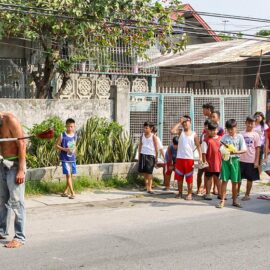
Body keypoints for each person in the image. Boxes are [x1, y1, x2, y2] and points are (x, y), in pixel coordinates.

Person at [0, 112, 26, 248]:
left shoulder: (10, 120)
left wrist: (21, 170)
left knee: (17, 202)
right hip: (3, 163)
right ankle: (2, 230)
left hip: (15, 165)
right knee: (2, 200)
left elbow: (22, 144)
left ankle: (20, 237)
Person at [216, 119, 247, 209]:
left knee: (235, 182)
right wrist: (223, 150)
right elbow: (219, 148)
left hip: (235, 161)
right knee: (224, 181)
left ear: (235, 128)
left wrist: (236, 152)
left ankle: (235, 200)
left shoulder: (240, 137)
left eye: (231, 129)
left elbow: (244, 149)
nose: (230, 131)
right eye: (228, 129)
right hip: (225, 161)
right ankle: (222, 200)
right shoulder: (224, 137)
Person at [171, 115, 202, 200]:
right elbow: (172, 131)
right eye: (183, 122)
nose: (185, 123)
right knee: (179, 177)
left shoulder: (194, 134)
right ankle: (180, 193)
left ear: (190, 122)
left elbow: (198, 146)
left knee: (189, 178)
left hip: (189, 159)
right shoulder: (181, 132)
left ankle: (189, 194)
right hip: (179, 158)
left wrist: (200, 158)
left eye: (186, 121)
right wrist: (179, 122)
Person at [238, 116, 261, 201]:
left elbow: (258, 148)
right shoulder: (241, 134)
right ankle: (237, 192)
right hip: (240, 160)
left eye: (252, 123)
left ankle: (247, 195)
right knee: (238, 178)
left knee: (249, 178)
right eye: (248, 123)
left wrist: (256, 161)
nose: (250, 125)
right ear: (245, 123)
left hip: (251, 160)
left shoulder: (256, 135)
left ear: (254, 124)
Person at [55, 118, 77, 199]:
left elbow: (75, 146)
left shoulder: (75, 135)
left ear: (74, 126)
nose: (70, 128)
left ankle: (65, 192)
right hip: (64, 159)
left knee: (70, 176)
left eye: (72, 126)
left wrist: (74, 151)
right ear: (66, 126)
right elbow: (56, 145)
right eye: (68, 126)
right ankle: (72, 193)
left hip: (72, 158)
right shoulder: (62, 135)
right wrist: (65, 149)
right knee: (68, 176)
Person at [202, 121, 222, 200]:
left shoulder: (221, 139)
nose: (213, 132)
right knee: (209, 178)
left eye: (215, 130)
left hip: (218, 164)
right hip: (209, 164)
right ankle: (208, 194)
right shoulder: (206, 141)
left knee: (218, 179)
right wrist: (205, 162)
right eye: (211, 130)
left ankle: (220, 194)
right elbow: (203, 153)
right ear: (208, 131)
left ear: (217, 130)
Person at [138, 122, 158, 194]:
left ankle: (150, 188)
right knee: (145, 172)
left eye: (146, 128)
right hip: (143, 154)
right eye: (144, 128)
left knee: (149, 172)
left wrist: (156, 158)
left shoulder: (153, 136)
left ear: (151, 128)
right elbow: (140, 145)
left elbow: (156, 147)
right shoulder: (142, 136)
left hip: (150, 155)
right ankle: (146, 187)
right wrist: (139, 156)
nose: (145, 129)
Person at [196, 119, 210, 195]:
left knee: (208, 175)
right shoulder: (202, 136)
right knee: (199, 174)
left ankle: (205, 189)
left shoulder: (212, 136)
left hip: (209, 158)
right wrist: (200, 157)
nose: (207, 128)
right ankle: (198, 189)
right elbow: (199, 146)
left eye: (208, 126)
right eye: (205, 126)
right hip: (202, 157)